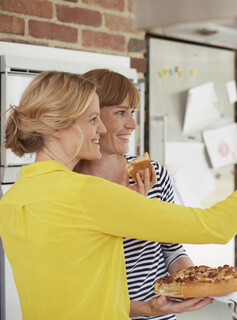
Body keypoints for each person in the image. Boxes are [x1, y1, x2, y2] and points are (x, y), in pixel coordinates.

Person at [0, 71, 237, 320]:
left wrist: (148, 308)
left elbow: (78, 296)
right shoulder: (87, 193)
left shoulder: (13, 199)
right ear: (57, 128)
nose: (101, 128)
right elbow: (217, 226)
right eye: (93, 119)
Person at [75, 69, 203, 319]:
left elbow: (172, 248)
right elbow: (78, 280)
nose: (132, 124)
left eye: (132, 112)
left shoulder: (152, 175)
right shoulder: (70, 186)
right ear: (90, 116)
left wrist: (194, 280)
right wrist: (128, 209)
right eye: (120, 112)